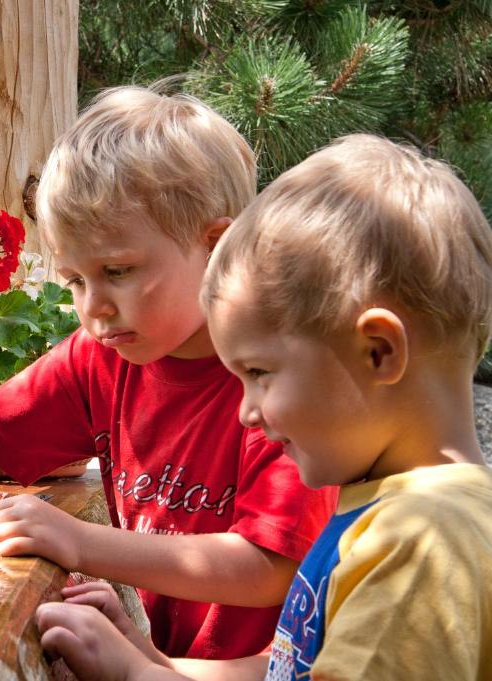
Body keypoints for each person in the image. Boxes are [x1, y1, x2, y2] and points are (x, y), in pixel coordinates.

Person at [0, 85, 335, 659]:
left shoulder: (276, 379)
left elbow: (266, 568)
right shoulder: (103, 358)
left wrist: (77, 540)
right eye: (74, 280)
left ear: (217, 247)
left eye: (117, 270)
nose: (92, 304)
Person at [34, 133, 492, 680]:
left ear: (379, 351)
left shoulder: (417, 547)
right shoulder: (391, 514)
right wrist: (149, 659)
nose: (247, 412)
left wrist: (137, 678)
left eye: (259, 374)